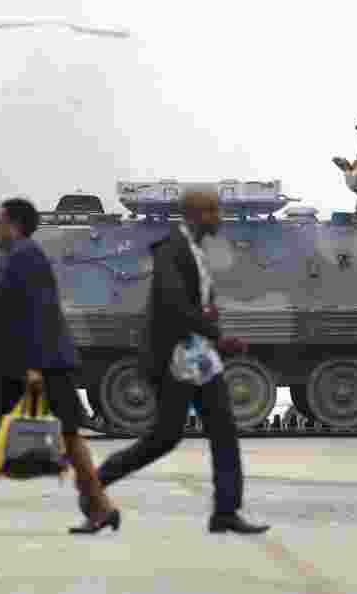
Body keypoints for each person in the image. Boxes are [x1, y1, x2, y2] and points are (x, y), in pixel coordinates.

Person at [80, 186, 270, 534]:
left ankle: (225, 511)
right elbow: (174, 305)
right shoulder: (172, 250)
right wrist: (218, 336)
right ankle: (94, 484)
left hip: (198, 356)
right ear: (196, 215)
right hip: (176, 356)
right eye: (213, 211)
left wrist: (214, 336)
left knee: (224, 430)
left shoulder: (194, 250)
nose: (219, 217)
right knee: (164, 438)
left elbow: (195, 305)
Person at [0, 198, 119, 534]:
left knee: (59, 433)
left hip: (37, 366)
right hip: (21, 366)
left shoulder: (26, 256)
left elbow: (41, 312)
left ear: (13, 225)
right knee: (8, 431)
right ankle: (101, 508)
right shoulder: (16, 257)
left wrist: (34, 368)